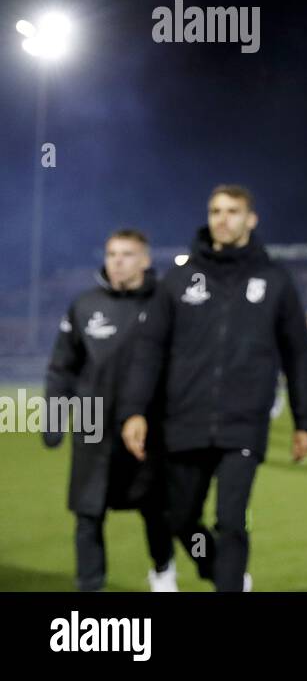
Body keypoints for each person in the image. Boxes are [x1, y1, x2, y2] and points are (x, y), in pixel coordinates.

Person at [121, 185, 307, 592]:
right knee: (180, 518)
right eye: (215, 211)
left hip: (243, 424)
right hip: (185, 421)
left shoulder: (274, 280)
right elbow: (149, 350)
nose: (222, 218)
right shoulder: (178, 279)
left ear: (251, 219)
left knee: (231, 520)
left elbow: (297, 354)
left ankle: (228, 582)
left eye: (232, 211)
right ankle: (221, 573)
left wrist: (305, 421)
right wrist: (135, 410)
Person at [44, 228, 176, 592]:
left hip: (148, 427)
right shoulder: (84, 306)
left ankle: (163, 572)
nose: (118, 261)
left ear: (146, 260)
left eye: (128, 254)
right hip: (91, 426)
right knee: (88, 513)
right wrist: (55, 420)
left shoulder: (164, 304)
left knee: (156, 509)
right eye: (112, 254)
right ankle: (90, 587)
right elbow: (62, 367)